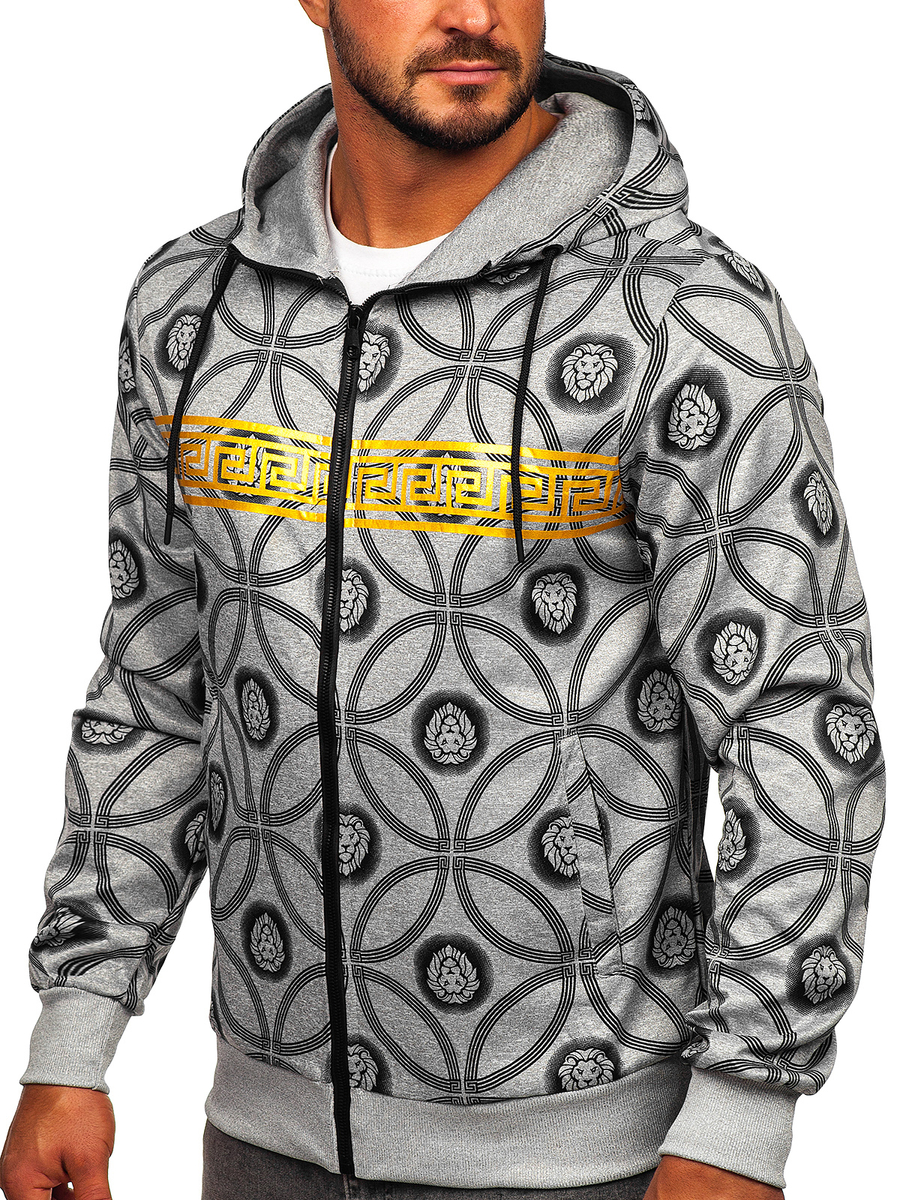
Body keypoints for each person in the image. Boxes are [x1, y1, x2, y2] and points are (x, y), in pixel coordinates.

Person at [0, 1, 886, 1198]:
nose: (473, 12)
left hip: (597, 1160)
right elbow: (159, 685)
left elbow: (801, 725)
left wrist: (741, 1115)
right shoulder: (194, 304)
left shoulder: (684, 315)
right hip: (261, 1140)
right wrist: (74, 1038)